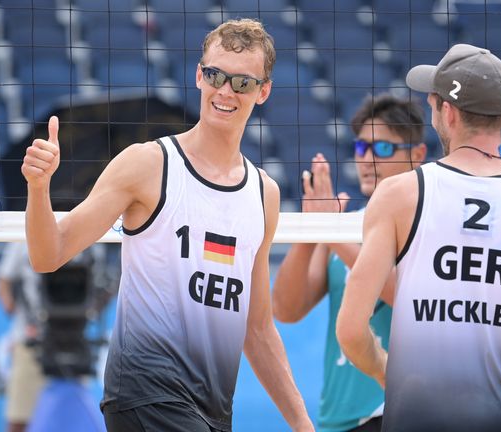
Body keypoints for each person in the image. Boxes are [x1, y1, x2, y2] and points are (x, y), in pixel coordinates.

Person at [21, 18, 313, 432]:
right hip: (144, 391)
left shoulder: (264, 193)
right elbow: (48, 254)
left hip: (213, 407)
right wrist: (38, 188)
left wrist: (303, 424)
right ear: (199, 76)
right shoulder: (148, 164)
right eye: (215, 75)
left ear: (262, 91)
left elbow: (258, 328)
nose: (225, 91)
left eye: (242, 83)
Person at [336, 44, 501, 431]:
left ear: (449, 112)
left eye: (433, 100)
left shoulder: (399, 196)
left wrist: (384, 371)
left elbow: (350, 329)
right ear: (500, 114)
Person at [272, 94, 427, 432]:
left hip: (399, 411)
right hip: (339, 419)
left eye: (382, 148)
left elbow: (406, 296)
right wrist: (314, 228)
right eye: (361, 147)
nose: (367, 159)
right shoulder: (344, 226)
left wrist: (331, 232)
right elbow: (285, 309)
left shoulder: (427, 223)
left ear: (417, 155)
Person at [0, 242, 45, 432]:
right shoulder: (21, 239)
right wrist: (19, 315)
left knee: (71, 419)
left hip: (70, 340)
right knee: (19, 419)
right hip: (28, 340)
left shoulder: (82, 233)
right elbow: (3, 280)